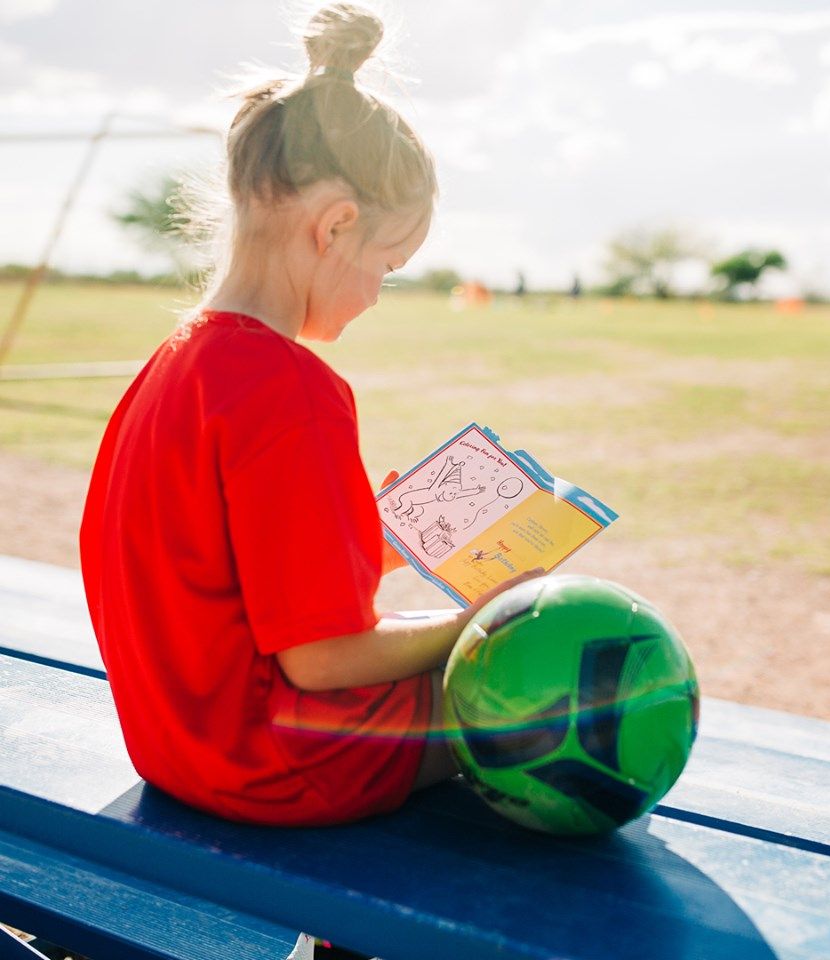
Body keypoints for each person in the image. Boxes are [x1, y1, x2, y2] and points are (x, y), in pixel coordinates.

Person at [79, 0, 540, 844]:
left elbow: (234, 589)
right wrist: (483, 615)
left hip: (176, 747)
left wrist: (373, 539)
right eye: (388, 268)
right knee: (553, 688)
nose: (374, 297)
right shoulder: (293, 388)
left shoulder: (173, 367)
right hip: (288, 767)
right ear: (335, 226)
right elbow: (324, 659)